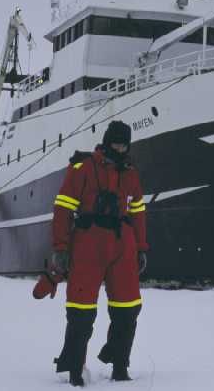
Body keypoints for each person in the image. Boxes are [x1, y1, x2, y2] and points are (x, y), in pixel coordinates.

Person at [51, 120, 148, 387]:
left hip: (123, 244)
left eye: (124, 143)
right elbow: (62, 209)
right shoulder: (83, 168)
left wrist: (141, 248)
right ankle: (74, 370)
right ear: (107, 141)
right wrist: (60, 248)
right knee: (81, 311)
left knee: (128, 308)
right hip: (88, 242)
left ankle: (120, 366)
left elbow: (138, 213)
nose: (120, 147)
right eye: (116, 142)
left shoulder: (131, 174)